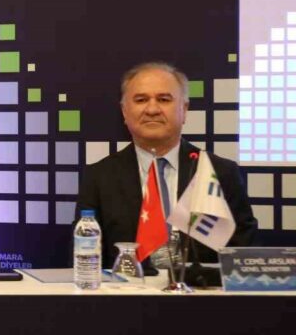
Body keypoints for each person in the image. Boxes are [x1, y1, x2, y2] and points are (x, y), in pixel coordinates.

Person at [76, 61, 257, 266]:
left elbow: (243, 258)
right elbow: (85, 258)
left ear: (184, 109)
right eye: (141, 100)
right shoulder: (100, 177)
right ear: (125, 112)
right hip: (128, 285)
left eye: (164, 99)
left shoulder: (221, 172)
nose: (152, 109)